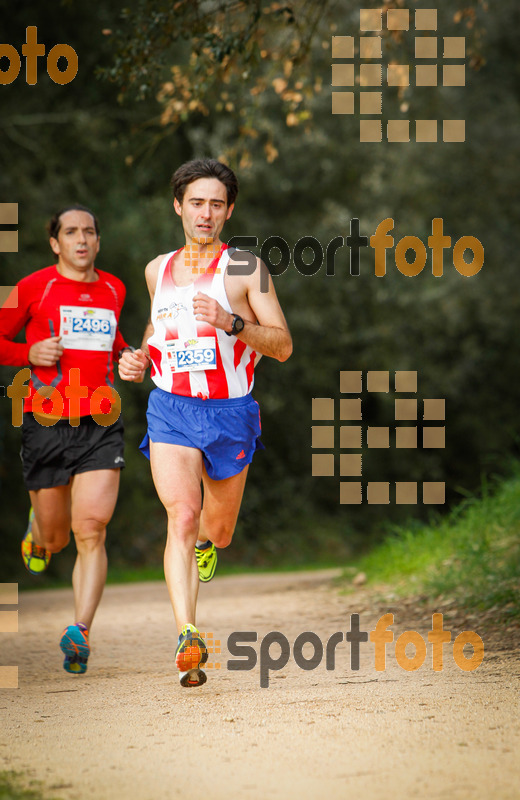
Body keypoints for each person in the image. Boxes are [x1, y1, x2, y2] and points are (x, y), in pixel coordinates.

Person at [119, 158, 292, 687]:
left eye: (217, 203)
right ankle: (187, 635)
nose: (206, 212)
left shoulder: (246, 269)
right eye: (197, 202)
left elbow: (282, 345)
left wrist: (232, 323)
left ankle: (208, 548)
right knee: (182, 515)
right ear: (179, 206)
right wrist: (139, 358)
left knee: (216, 529)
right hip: (171, 407)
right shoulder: (157, 269)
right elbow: (156, 329)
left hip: (230, 412)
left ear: (229, 210)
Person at [0, 205, 133, 674]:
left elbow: (114, 345)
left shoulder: (114, 288)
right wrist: (27, 352)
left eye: (90, 232)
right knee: (56, 540)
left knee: (91, 530)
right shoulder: (35, 287)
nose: (82, 239)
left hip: (100, 421)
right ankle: (37, 529)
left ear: (98, 240)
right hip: (47, 421)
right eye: (71, 232)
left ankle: (80, 629)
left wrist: (131, 356)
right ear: (55, 242)